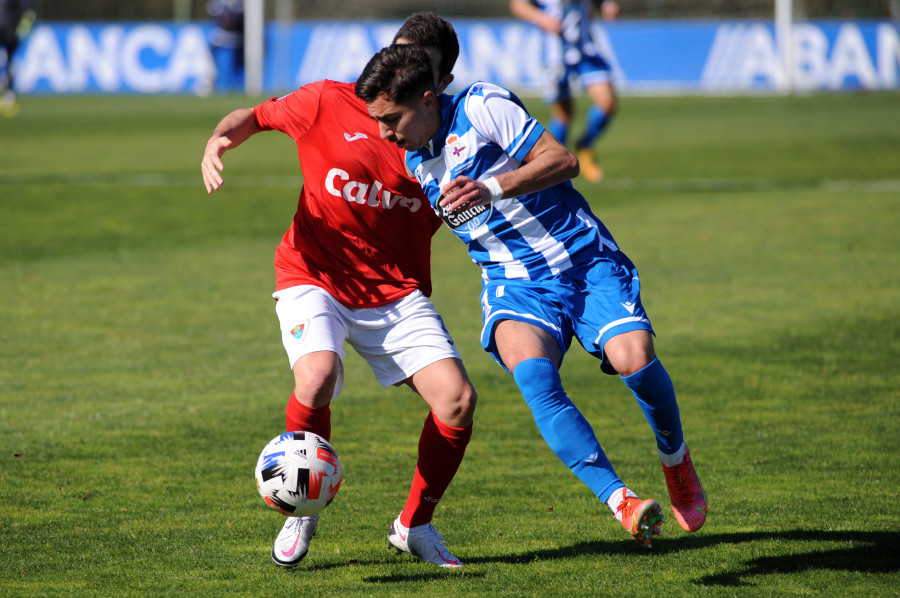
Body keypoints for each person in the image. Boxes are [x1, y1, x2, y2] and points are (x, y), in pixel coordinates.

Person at [356, 43, 707, 548]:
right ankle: (622, 502)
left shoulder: (481, 105)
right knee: (534, 375)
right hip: (513, 283)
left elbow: (562, 160)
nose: (385, 133)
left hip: (582, 259)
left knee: (635, 360)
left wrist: (491, 188)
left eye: (392, 119)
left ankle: (675, 459)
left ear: (429, 100)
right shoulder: (413, 160)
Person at [201, 13, 473, 568]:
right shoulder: (327, 100)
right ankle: (304, 500)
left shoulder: (460, 136)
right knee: (317, 375)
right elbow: (253, 116)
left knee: (457, 400)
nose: (399, 71)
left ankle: (415, 525)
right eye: (396, 55)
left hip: (395, 292)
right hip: (314, 273)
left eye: (419, 68)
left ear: (437, 87)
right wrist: (219, 139)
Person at [509, 0, 619, 182]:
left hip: (585, 51)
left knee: (608, 103)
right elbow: (518, 5)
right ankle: (551, 165)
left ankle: (585, 143)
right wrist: (541, 18)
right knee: (564, 115)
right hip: (555, 56)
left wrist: (606, 6)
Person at [0, 0, 34, 117]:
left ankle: (8, 95)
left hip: (10, 31)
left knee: (10, 63)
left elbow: (27, 11)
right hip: (8, 29)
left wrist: (22, 28)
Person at [206, 0, 244, 93]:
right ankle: (220, 88)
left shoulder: (240, 3)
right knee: (222, 68)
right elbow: (219, 16)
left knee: (237, 70)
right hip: (222, 41)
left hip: (237, 40)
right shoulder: (219, 3)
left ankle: (235, 89)